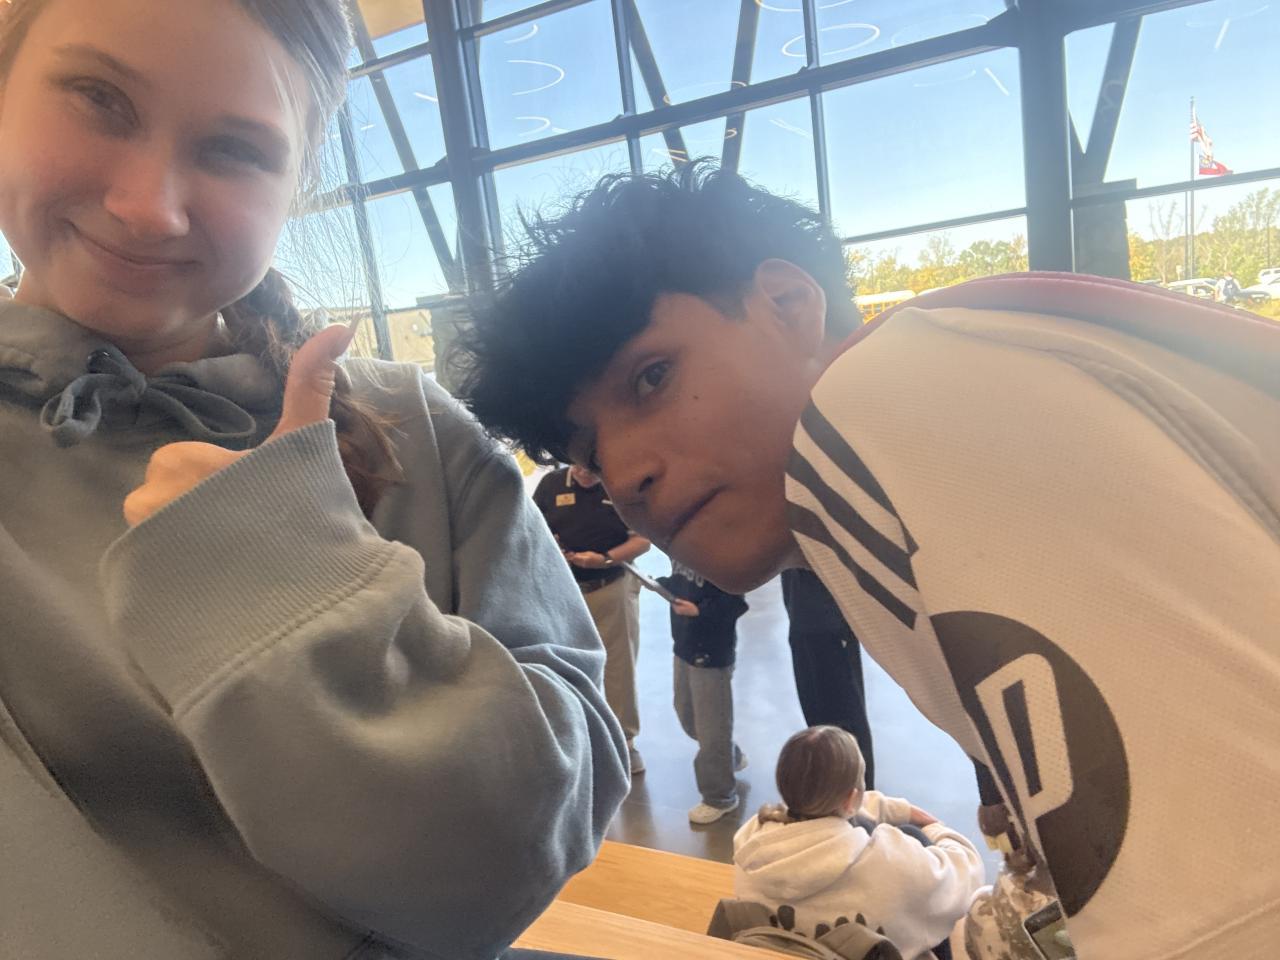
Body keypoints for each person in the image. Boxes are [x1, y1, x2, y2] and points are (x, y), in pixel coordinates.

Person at [457, 161, 1280, 959]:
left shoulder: (884, 397)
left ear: (787, 305)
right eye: (589, 450)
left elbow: (1227, 914)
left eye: (652, 378)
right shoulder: (964, 373)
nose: (625, 473)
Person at [0, 2, 628, 958]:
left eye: (235, 149)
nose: (147, 205)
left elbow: (519, 857)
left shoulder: (417, 432)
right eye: (99, 98)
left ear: (296, 183)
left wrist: (289, 590)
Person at [733, 726, 984, 960]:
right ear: (850, 799)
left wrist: (893, 808)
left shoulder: (752, 842)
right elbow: (967, 876)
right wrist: (936, 830)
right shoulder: (888, 860)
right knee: (917, 851)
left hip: (786, 950)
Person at [533, 464, 650, 774]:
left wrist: (606, 559)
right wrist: (552, 547)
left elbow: (642, 540)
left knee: (619, 665)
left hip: (611, 585)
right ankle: (578, 735)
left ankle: (625, 741)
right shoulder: (551, 485)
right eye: (579, 467)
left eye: (591, 469)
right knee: (568, 663)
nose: (584, 473)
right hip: (565, 591)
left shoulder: (621, 485)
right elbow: (532, 528)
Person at [656, 559, 749, 823]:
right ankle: (729, 755)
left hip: (711, 652)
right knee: (687, 716)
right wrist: (661, 586)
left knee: (712, 728)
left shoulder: (722, 555)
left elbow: (735, 603)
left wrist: (699, 611)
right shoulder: (684, 550)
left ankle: (719, 797)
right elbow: (681, 582)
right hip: (683, 644)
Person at [781, 568, 875, 788]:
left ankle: (857, 798)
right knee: (823, 725)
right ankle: (840, 795)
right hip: (806, 615)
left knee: (842, 729)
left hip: (826, 620)